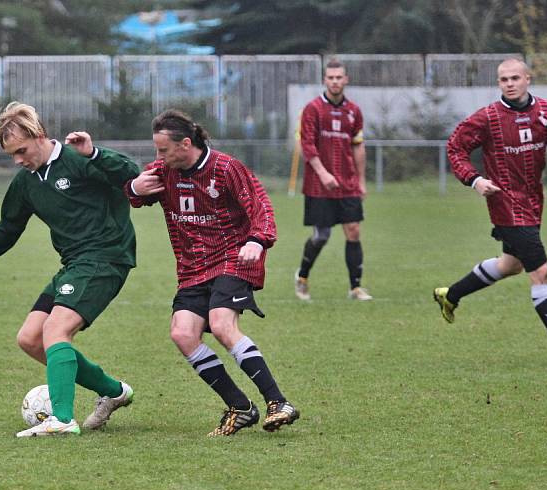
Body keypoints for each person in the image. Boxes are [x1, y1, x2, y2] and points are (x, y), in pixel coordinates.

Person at [72, 109, 299, 436]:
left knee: (222, 324)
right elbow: (136, 195)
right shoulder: (164, 170)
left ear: (186, 144)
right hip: (193, 268)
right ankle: (240, 407)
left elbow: (259, 206)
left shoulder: (225, 168)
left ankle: (278, 402)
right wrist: (134, 188)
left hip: (232, 258)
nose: (158, 156)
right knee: (182, 334)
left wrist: (257, 241)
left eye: (163, 150)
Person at [0, 102, 141, 437]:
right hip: (74, 263)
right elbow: (8, 228)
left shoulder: (77, 159)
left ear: (39, 135)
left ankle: (63, 419)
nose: (18, 160)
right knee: (30, 339)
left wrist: (95, 152)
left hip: (105, 257)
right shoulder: (27, 183)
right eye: (11, 155)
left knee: (55, 330)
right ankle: (113, 391)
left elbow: (129, 173)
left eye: (21, 150)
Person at [438, 58, 547, 364]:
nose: (509, 83)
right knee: (540, 273)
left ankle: (450, 295)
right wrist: (475, 179)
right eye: (503, 79)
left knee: (511, 265)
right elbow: (455, 147)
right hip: (506, 204)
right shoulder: (488, 117)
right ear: (498, 84)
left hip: (533, 201)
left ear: (527, 79)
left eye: (515, 77)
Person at [294, 58, 371, 302]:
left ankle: (355, 287)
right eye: (331, 77)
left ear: (346, 79)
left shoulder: (354, 111)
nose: (335, 81)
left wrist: (361, 181)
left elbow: (358, 147)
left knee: (353, 230)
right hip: (319, 185)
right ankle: (302, 276)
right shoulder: (313, 109)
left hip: (347, 183)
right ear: (324, 80)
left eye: (339, 77)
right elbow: (306, 146)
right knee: (322, 235)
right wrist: (323, 172)